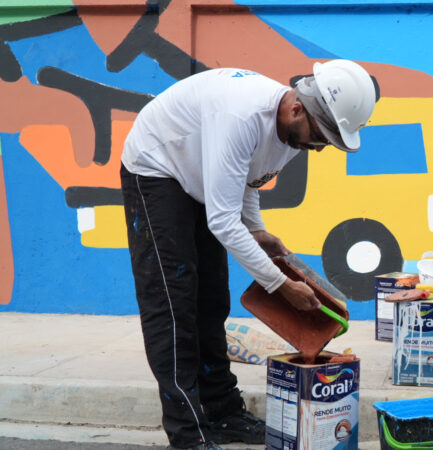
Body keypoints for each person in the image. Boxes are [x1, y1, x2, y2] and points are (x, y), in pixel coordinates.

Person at [119, 60, 377, 450]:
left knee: (212, 300)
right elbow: (223, 221)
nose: (320, 146)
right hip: (157, 167)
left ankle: (223, 413)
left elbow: (249, 179)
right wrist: (280, 284)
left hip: (198, 175)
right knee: (173, 302)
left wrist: (256, 230)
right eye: (320, 136)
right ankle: (187, 433)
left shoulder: (293, 131)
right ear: (297, 108)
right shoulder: (241, 117)